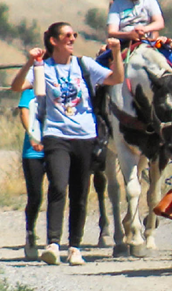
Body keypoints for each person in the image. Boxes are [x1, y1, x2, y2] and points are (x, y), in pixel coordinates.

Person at [21, 22, 123, 266]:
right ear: (54, 41)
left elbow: (117, 78)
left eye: (74, 34)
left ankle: (75, 247)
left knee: (80, 192)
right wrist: (29, 62)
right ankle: (53, 244)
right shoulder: (43, 68)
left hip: (85, 136)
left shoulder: (84, 65)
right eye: (67, 35)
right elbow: (17, 86)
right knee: (58, 185)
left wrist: (117, 52)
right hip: (56, 135)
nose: (72, 39)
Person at [9, 49, 49, 260]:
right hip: (33, 150)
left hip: (55, 146)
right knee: (35, 195)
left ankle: (54, 238)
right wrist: (33, 136)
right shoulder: (30, 89)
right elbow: (24, 112)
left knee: (58, 192)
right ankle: (30, 233)